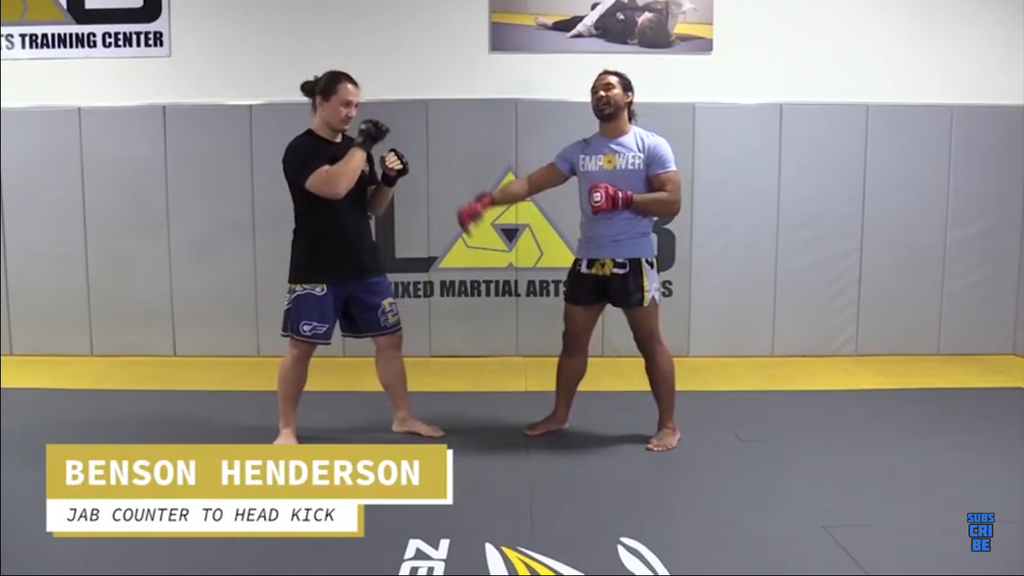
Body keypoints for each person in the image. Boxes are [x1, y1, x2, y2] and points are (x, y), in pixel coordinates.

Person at [456, 70, 682, 451]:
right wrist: (487, 202)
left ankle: (668, 425)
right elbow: (531, 183)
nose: (600, 93)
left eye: (608, 87)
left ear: (628, 96)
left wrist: (625, 199)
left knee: (649, 341)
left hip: (633, 260)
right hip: (589, 260)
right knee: (573, 341)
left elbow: (672, 201)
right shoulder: (581, 151)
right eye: (595, 90)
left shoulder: (651, 146)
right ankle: (559, 415)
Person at [274, 70, 444, 444]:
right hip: (316, 267)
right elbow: (334, 187)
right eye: (344, 105)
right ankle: (286, 428)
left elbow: (372, 207)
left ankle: (402, 417)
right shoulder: (302, 150)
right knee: (301, 348)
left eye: (355, 106)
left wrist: (388, 181)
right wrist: (363, 146)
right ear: (321, 103)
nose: (351, 113)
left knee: (390, 341)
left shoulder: (355, 150)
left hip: (363, 263)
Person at [534, 0, 681, 49]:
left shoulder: (623, 28)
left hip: (606, 21)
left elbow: (604, 17)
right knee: (596, 7)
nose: (647, 12)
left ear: (639, 22)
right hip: (621, 11)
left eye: (646, 15)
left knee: (579, 20)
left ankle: (552, 24)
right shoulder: (657, 22)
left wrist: (582, 28)